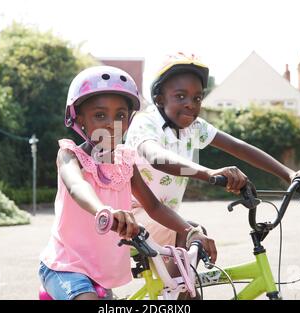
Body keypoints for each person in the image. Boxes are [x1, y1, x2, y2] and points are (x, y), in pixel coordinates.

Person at [38, 66, 217, 300]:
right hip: (66, 266)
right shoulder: (70, 156)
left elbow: (154, 207)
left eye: (120, 116)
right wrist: (105, 210)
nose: (112, 124)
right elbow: (77, 187)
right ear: (79, 119)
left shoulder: (125, 162)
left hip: (101, 273)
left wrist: (191, 231)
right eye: (100, 115)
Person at [125, 52, 300, 251]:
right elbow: (157, 157)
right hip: (132, 216)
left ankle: (176, 283)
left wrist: (288, 173)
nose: (190, 103)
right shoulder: (146, 122)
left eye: (197, 98)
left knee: (195, 240)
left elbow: (238, 147)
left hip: (163, 216)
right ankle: (179, 284)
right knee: (191, 235)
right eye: (180, 96)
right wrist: (209, 173)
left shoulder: (194, 127)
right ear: (159, 99)